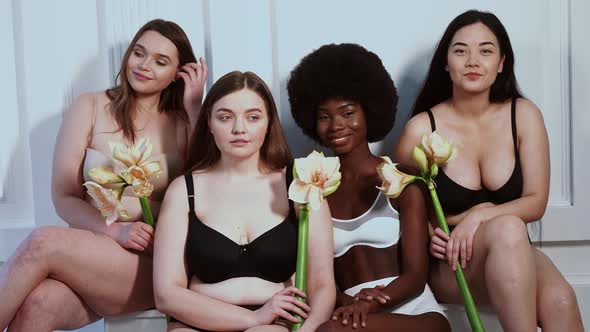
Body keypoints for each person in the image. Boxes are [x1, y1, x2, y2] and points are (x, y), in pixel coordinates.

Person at [0, 19, 207, 331]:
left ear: (177, 75)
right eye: (139, 53)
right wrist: (114, 232)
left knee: (42, 241)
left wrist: (194, 109)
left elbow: (204, 192)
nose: (144, 65)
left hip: (155, 266)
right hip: (92, 252)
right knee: (38, 305)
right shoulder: (91, 106)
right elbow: (64, 196)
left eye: (160, 61)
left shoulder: (182, 123)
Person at [395, 10, 584, 332]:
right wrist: (431, 232)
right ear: (445, 62)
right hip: (451, 265)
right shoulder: (421, 129)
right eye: (460, 51)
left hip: (513, 254)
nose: (472, 61)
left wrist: (479, 216)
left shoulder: (523, 115)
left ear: (501, 63)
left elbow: (536, 202)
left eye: (485, 50)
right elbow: (401, 210)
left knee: (560, 299)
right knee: (509, 226)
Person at [153, 70, 335, 332]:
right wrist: (253, 319)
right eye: (225, 117)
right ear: (209, 122)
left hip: (275, 326)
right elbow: (166, 294)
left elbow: (322, 284)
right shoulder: (184, 190)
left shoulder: (301, 184)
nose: (239, 129)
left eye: (253, 117)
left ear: (269, 121)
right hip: (199, 322)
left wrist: (306, 330)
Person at [287, 43, 450, 332]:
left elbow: (415, 277)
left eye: (348, 113)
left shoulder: (403, 180)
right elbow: (318, 278)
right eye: (324, 116)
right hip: (352, 316)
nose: (336, 125)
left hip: (414, 314)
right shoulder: (312, 192)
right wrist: (349, 304)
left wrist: (369, 304)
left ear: (369, 111)